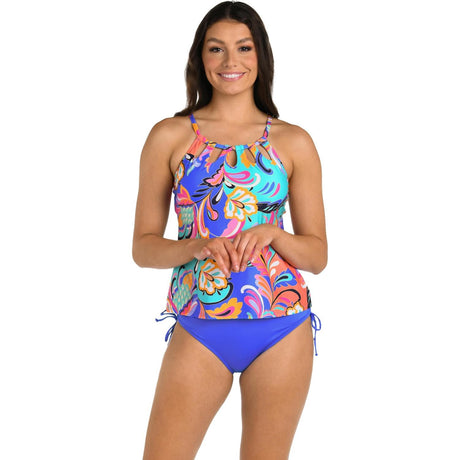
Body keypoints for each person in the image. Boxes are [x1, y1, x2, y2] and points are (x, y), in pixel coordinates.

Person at [132, 1, 327, 458]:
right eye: (216, 48)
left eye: (244, 47)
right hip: (201, 323)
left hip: (282, 326)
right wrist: (196, 245)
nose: (230, 61)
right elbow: (143, 248)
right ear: (201, 57)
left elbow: (317, 256)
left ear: (261, 56)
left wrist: (274, 234)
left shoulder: (293, 141)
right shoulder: (170, 136)